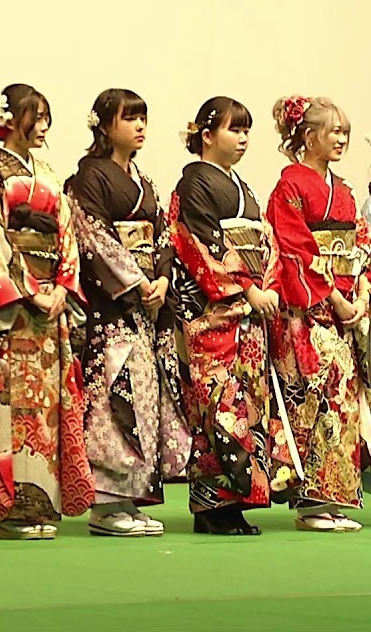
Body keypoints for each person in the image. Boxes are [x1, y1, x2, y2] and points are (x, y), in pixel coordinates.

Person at [0, 83, 93, 540]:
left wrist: (62, 285)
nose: (42, 127)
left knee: (46, 409)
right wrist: (28, 290)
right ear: (8, 120)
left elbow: (66, 235)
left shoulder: (49, 174)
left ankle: (41, 505)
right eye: (34, 118)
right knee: (9, 405)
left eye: (45, 118)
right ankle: (6, 510)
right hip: (14, 312)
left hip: (48, 309)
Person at [66, 89, 190, 537]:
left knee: (144, 399)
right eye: (129, 118)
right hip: (113, 308)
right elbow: (93, 237)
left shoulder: (145, 182)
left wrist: (162, 279)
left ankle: (132, 498)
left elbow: (163, 237)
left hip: (145, 306)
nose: (139, 127)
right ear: (104, 125)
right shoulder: (88, 177)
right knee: (112, 397)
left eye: (143, 118)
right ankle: (105, 503)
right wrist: (137, 282)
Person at [167, 96, 283, 534]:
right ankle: (210, 506)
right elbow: (198, 244)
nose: (243, 138)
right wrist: (248, 289)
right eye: (235, 129)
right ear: (207, 135)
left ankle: (234, 504)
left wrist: (267, 287)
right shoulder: (193, 183)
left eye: (247, 130)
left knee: (247, 406)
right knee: (216, 405)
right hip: (214, 312)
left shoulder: (243, 187)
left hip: (248, 314)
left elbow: (266, 241)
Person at [265, 95, 369, 532]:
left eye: (345, 132)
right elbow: (293, 247)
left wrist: (360, 292)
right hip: (307, 313)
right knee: (314, 398)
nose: (342, 139)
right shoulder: (290, 186)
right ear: (309, 137)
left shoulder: (343, 190)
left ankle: (335, 497)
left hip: (344, 308)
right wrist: (333, 298)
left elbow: (360, 244)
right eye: (334, 132)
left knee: (343, 401)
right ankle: (310, 502)